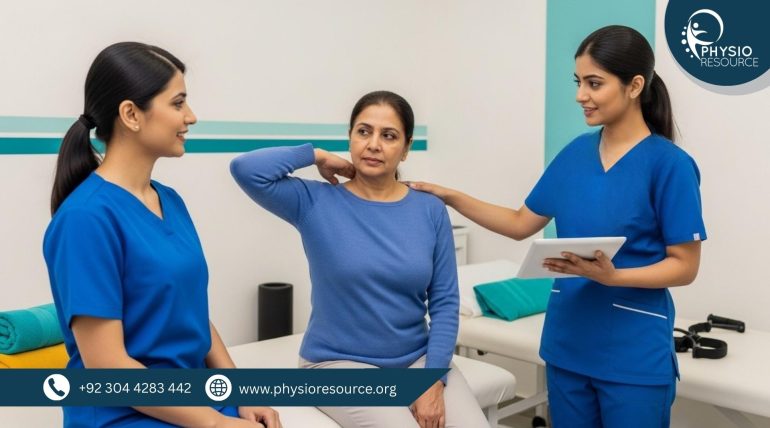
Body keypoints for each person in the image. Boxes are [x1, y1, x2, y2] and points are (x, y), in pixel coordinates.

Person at [409, 26, 706, 428]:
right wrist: (450, 196)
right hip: (567, 346)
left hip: (633, 355)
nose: (580, 95)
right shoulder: (574, 155)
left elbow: (684, 266)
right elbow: (519, 223)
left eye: (594, 83)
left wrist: (612, 276)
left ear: (635, 86)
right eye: (579, 82)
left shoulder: (669, 165)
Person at [43, 42, 281, 428]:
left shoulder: (169, 200)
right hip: (123, 414)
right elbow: (108, 366)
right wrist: (218, 424)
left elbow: (194, 316)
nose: (191, 116)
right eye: (177, 103)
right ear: (131, 114)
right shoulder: (85, 219)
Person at [230, 91, 488, 428]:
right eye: (363, 131)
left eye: (389, 135)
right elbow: (246, 169)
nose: (374, 144)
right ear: (350, 138)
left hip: (416, 359)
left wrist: (433, 378)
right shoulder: (315, 202)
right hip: (336, 365)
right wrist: (316, 155)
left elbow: (444, 301)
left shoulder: (429, 210)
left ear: (406, 147)